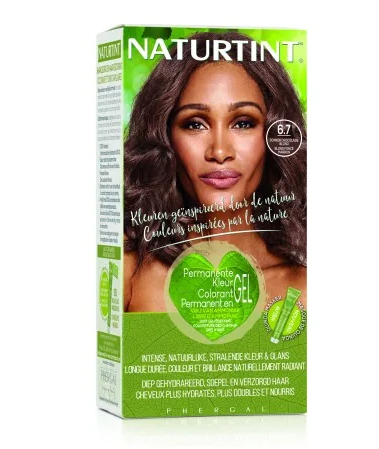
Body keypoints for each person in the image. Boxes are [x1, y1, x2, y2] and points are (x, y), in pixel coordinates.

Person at [124, 32, 306, 312]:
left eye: (243, 123)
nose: (219, 152)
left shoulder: (301, 291)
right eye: (195, 124)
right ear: (166, 138)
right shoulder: (131, 268)